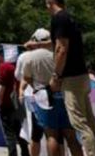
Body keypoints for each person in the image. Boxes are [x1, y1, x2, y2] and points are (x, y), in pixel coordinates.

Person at [44, 0, 95, 156]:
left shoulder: (58, 18)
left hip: (71, 79)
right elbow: (58, 42)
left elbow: (61, 49)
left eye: (46, 3)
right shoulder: (69, 18)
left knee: (80, 124)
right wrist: (38, 45)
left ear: (50, 1)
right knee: (90, 124)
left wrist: (56, 76)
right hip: (82, 76)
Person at [17, 28, 81, 156]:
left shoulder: (30, 57)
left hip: (44, 98)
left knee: (51, 136)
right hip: (64, 95)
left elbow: (27, 78)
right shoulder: (59, 52)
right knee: (71, 136)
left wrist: (37, 87)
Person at [0, 44, 22, 156]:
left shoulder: (4, 66)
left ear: (2, 55)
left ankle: (12, 154)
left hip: (7, 104)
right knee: (20, 132)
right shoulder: (15, 65)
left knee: (9, 133)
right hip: (18, 103)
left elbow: (2, 87)